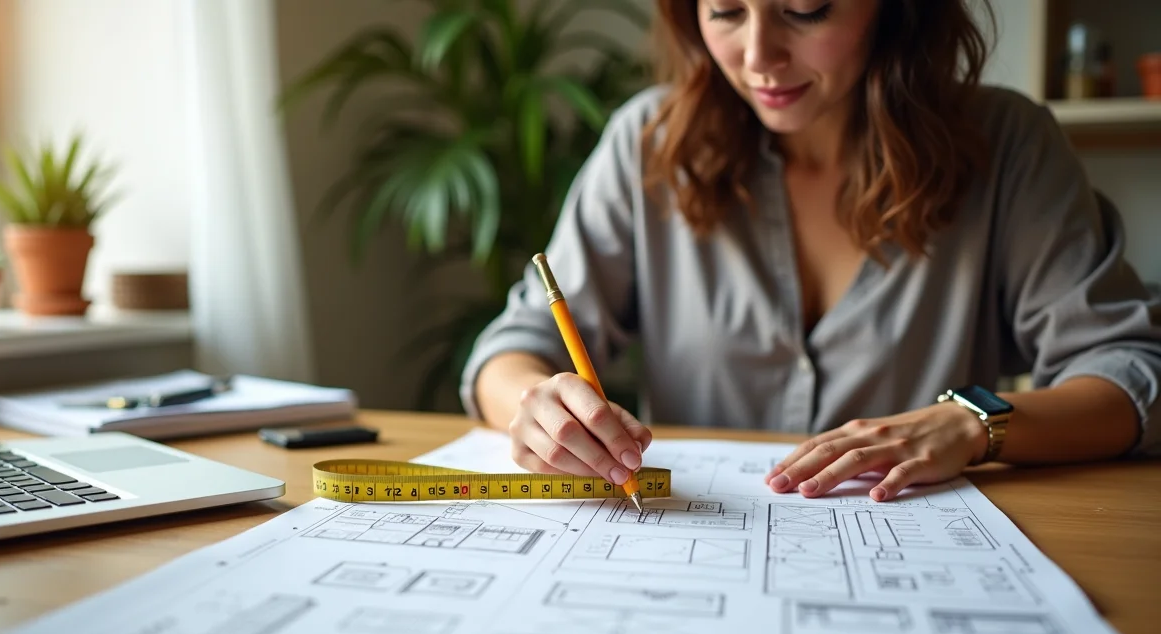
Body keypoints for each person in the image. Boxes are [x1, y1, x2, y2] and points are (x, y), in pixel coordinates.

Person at [460, 0, 1161, 502]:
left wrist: (971, 421)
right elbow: (513, 349)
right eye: (726, 11)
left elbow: (1130, 373)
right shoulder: (647, 142)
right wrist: (536, 403)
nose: (759, 57)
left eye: (806, 10)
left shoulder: (1010, 144)